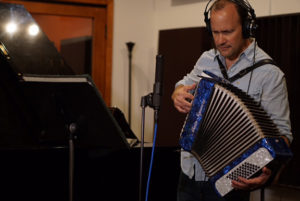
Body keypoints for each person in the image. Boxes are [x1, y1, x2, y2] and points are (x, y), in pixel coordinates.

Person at [171, 0, 293, 201]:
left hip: (232, 181)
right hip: (190, 173)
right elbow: (182, 84)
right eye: (215, 32)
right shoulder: (206, 59)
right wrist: (177, 94)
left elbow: (282, 137)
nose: (220, 40)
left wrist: (264, 169)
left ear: (247, 28)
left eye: (227, 32)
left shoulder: (270, 74)